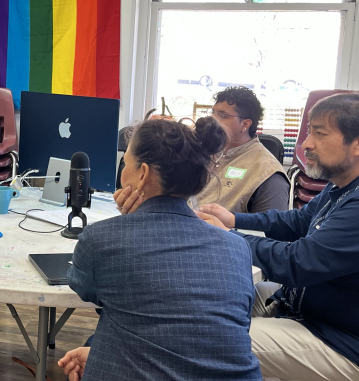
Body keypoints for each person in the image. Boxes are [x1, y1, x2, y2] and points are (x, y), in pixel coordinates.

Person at [198, 93, 359, 381]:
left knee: (205, 338)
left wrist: (229, 236)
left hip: (345, 342)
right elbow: (299, 221)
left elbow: (299, 263)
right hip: (307, 308)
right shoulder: (349, 181)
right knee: (206, 298)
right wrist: (234, 219)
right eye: (308, 132)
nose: (306, 144)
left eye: (319, 133)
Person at [58, 117, 262, 381]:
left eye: (126, 163)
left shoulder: (101, 238)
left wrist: (125, 224)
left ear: (142, 174)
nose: (122, 172)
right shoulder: (237, 247)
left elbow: (88, 289)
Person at [197, 86, 290, 213]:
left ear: (245, 124)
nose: (212, 120)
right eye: (213, 113)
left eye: (222, 115)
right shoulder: (204, 151)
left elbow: (272, 230)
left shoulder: (268, 173)